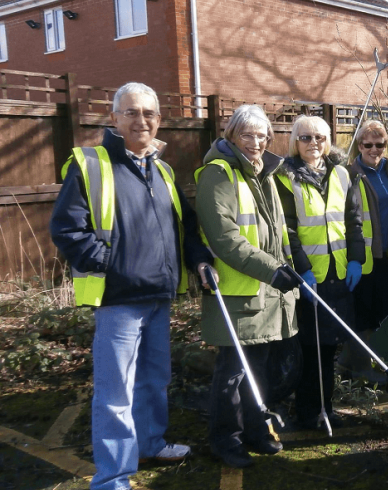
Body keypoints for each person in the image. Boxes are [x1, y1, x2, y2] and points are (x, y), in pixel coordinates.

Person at [50, 82, 214, 490]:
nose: (141, 120)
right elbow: (67, 229)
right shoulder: (91, 164)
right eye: (131, 112)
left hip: (159, 294)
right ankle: (113, 477)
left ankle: (151, 443)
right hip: (119, 299)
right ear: (114, 118)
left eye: (149, 113)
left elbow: (185, 225)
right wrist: (112, 264)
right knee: (115, 393)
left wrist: (199, 260)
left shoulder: (163, 169)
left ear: (159, 120)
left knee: (154, 379)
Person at [195, 105, 301, 468]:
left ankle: (256, 430)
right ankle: (226, 440)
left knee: (259, 370)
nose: (256, 142)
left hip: (266, 293)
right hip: (238, 292)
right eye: (247, 135)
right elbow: (224, 238)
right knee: (232, 372)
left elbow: (276, 233)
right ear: (231, 136)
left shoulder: (264, 173)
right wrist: (272, 271)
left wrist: (290, 267)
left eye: (262, 136)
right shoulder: (218, 174)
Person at [276, 115, 365, 430]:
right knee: (308, 347)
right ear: (295, 142)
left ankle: (326, 408)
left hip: (338, 273)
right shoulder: (285, 178)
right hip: (307, 278)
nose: (313, 143)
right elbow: (287, 230)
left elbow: (353, 221)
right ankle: (307, 412)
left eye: (319, 137)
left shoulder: (342, 174)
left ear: (328, 141)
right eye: (305, 138)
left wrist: (357, 259)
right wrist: (302, 270)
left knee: (328, 347)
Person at [340, 120, 388, 384]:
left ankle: (346, 365)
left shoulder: (385, 170)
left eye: (380, 144)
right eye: (368, 144)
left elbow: (385, 197)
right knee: (362, 313)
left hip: (382, 253)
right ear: (359, 145)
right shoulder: (350, 173)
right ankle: (361, 369)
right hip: (360, 255)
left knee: (378, 310)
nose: (374, 149)